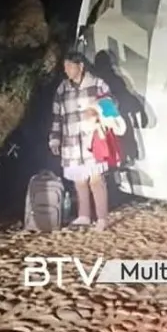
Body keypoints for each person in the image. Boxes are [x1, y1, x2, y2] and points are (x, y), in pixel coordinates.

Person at [48, 52, 114, 231]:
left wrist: (100, 112)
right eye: (65, 67)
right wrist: (55, 139)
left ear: (81, 66)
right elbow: (57, 116)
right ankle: (84, 215)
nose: (67, 70)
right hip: (71, 141)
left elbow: (111, 105)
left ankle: (102, 218)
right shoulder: (62, 89)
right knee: (79, 179)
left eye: (70, 66)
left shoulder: (97, 83)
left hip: (92, 140)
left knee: (96, 179)